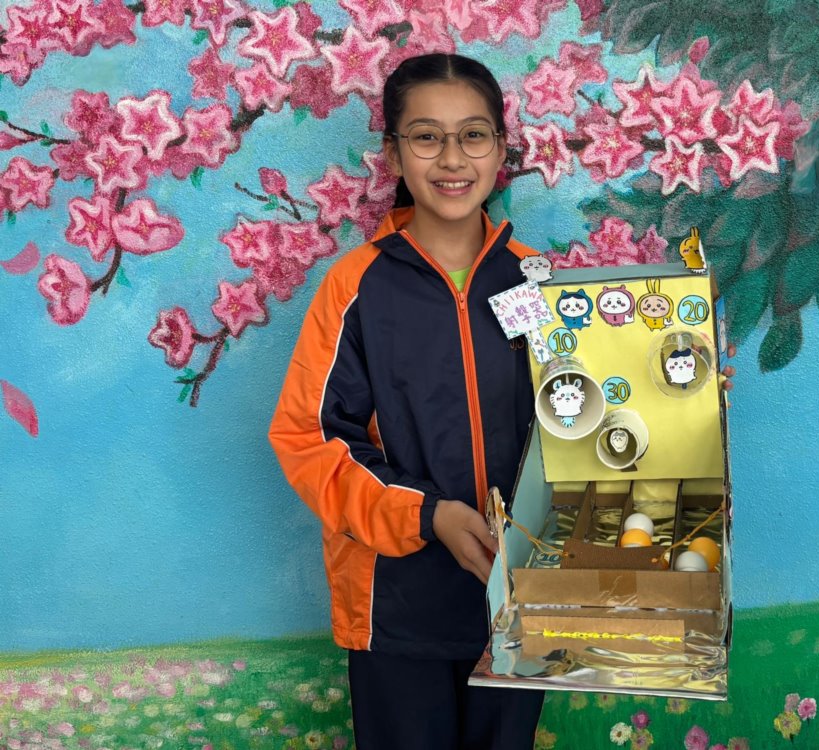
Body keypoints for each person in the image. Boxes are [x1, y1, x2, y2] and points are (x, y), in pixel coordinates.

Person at [268, 53, 546, 749]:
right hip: (394, 607)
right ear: (393, 153)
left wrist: (677, 391)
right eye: (426, 137)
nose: (452, 158)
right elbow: (309, 437)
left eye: (473, 135)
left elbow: (582, 416)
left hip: (523, 599)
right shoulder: (354, 286)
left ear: (501, 148)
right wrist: (428, 514)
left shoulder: (540, 284)